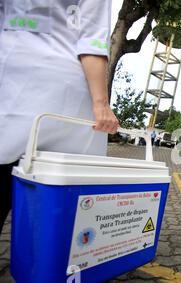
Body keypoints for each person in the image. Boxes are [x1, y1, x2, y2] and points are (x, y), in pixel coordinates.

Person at [0, 0, 119, 234]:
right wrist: (101, 105)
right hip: (62, 93)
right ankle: (46, 259)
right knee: (57, 190)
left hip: (9, 75)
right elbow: (92, 42)